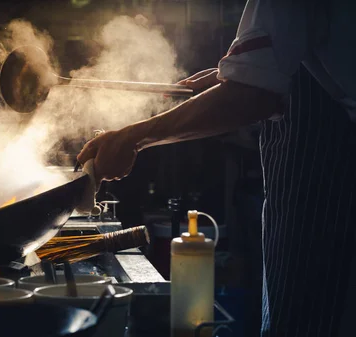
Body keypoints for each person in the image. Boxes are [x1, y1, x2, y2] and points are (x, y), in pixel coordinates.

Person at [77, 1, 356, 336]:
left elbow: (253, 95)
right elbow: (284, 68)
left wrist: (132, 139)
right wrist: (232, 74)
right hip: (315, 184)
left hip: (332, 188)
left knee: (313, 318)